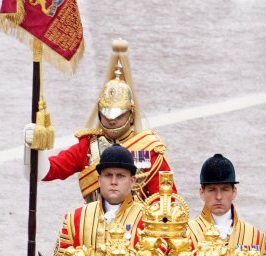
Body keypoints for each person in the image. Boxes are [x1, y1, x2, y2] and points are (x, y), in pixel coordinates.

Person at [38, 37, 171, 201]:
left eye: (118, 115)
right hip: (94, 223)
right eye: (106, 114)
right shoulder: (87, 147)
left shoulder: (148, 150)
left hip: (137, 224)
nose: (112, 120)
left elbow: (166, 201)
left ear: (130, 114)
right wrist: (33, 146)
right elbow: (46, 170)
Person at [50, 143, 149, 256]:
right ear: (99, 180)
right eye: (108, 175)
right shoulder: (74, 219)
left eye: (120, 176)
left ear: (132, 181)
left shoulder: (148, 220)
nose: (113, 181)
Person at [187, 153, 266, 256]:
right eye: (212, 189)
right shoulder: (186, 235)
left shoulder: (256, 236)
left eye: (224, 189)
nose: (218, 196)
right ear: (202, 192)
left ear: (234, 192)